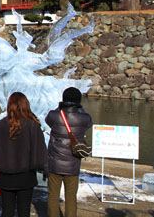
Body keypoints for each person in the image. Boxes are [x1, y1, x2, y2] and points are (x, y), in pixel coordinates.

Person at [0, 92, 47, 217]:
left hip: (5, 176)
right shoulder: (32, 125)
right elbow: (40, 151)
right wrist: (43, 168)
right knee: (24, 211)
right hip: (26, 176)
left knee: (7, 211)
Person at [45, 87, 92, 217]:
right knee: (71, 197)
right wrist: (79, 108)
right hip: (73, 163)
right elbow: (88, 124)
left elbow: (48, 120)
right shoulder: (84, 118)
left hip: (55, 162)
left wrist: (60, 107)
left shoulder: (54, 115)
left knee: (53, 196)